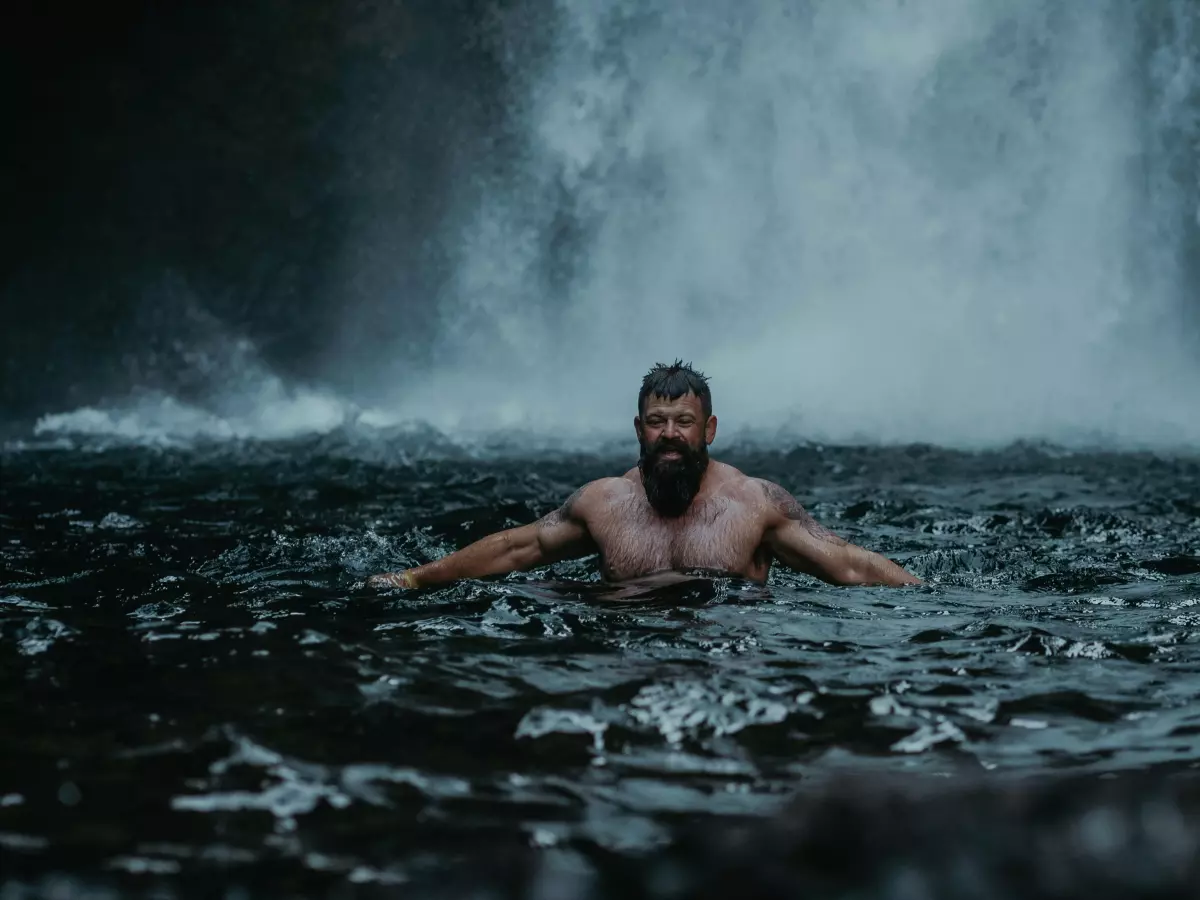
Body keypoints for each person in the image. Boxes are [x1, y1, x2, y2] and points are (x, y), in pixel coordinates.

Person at [369, 361, 920, 591]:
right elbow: (518, 549)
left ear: (710, 430)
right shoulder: (604, 502)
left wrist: (927, 595)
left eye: (685, 422)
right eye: (658, 422)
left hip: (727, 665)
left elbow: (846, 562)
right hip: (628, 659)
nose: (671, 433)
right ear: (639, 429)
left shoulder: (755, 504)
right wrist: (416, 579)